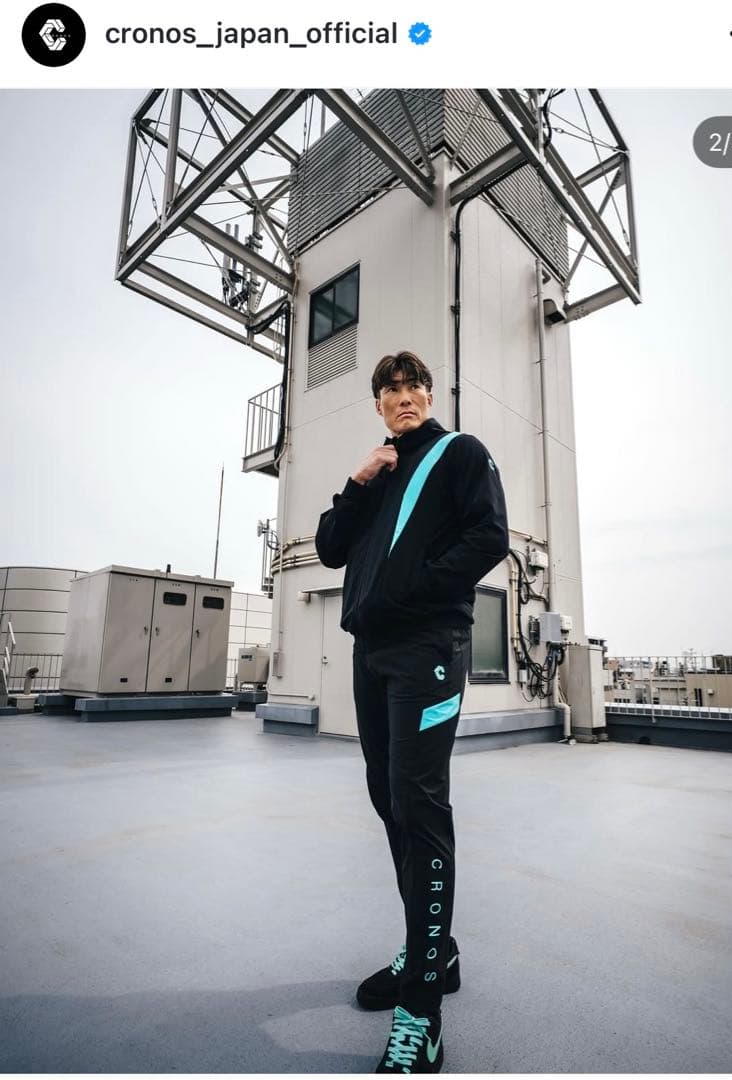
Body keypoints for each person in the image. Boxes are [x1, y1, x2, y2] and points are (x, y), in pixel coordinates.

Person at [315, 351, 509, 1073]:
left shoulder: (460, 453)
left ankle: (421, 1011)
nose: (404, 397)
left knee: (420, 806)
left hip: (427, 647)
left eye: (413, 387)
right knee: (388, 800)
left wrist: (414, 590)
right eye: (390, 390)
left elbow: (488, 536)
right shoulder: (380, 472)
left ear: (429, 394)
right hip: (371, 654)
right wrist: (356, 481)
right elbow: (330, 549)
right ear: (378, 404)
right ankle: (436, 952)